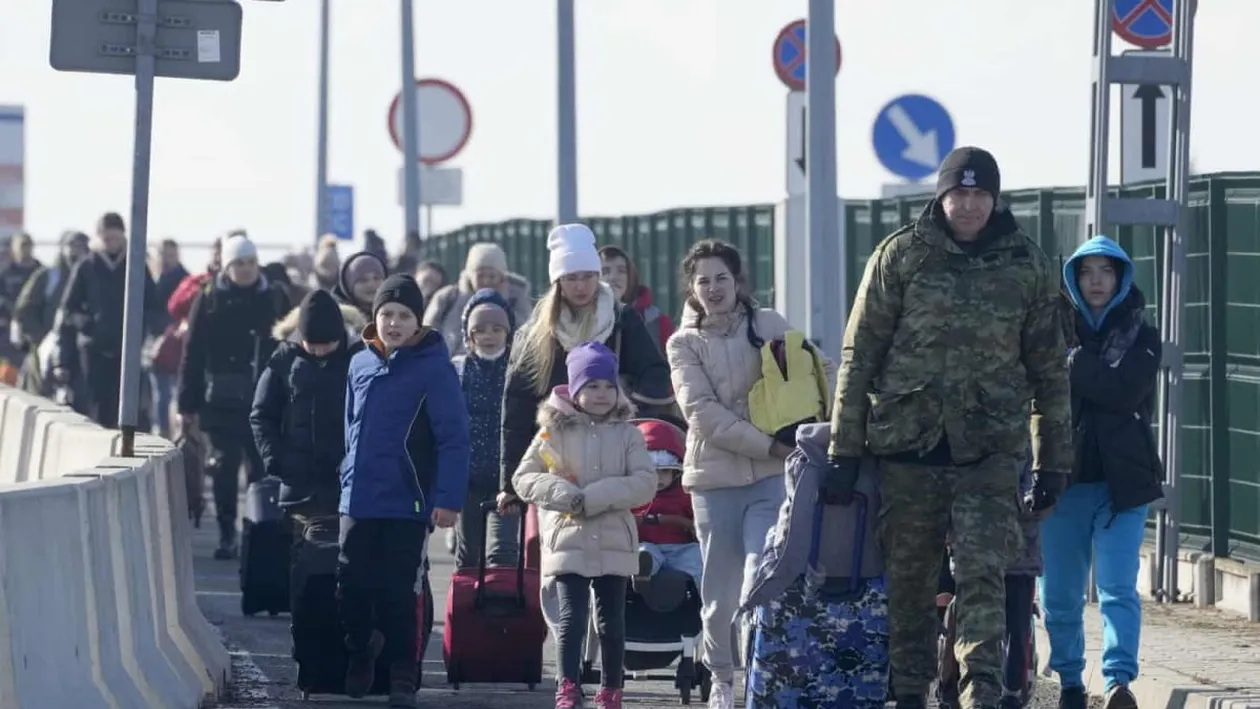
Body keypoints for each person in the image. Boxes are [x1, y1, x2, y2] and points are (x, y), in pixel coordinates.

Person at [827, 146, 1073, 709]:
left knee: (984, 574)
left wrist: (1053, 460)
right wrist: (844, 447)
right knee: (911, 583)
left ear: (995, 198)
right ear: (940, 196)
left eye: (980, 194)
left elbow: (1049, 370)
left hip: (988, 452)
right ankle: (910, 689)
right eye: (958, 194)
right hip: (909, 449)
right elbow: (860, 352)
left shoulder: (1026, 264)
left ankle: (979, 689)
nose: (969, 205)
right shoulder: (901, 256)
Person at [666, 238, 834, 709]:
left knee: (761, 574)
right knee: (718, 596)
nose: (714, 288)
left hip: (771, 476)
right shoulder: (683, 344)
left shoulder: (769, 324)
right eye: (704, 281)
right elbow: (702, 414)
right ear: (692, 288)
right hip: (715, 480)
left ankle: (761, 674)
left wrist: (836, 412)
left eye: (722, 278)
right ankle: (721, 677)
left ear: (738, 281)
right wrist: (769, 444)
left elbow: (816, 370)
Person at [1040, 236, 1163, 709]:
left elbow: (1124, 392)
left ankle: (1118, 682)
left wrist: (1074, 364)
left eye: (1105, 272)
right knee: (1060, 594)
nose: (1096, 281)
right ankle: (1071, 679)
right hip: (1061, 482)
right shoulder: (1048, 332)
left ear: (1120, 278)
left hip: (1122, 485)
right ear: (1073, 278)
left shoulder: (1141, 334)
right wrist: (1090, 373)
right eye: (1086, 271)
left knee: (1117, 587)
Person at [339, 274, 469, 708]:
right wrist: (345, 478)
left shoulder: (435, 368)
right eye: (386, 314)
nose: (394, 323)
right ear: (375, 318)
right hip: (358, 498)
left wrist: (448, 499)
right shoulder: (359, 363)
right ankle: (360, 651)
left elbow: (453, 438)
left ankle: (401, 675)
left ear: (418, 322)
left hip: (408, 501)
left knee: (399, 592)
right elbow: (350, 428)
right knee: (351, 585)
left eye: (403, 316)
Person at [512, 342, 657, 709]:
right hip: (569, 538)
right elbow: (525, 477)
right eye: (592, 386)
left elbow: (645, 482)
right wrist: (565, 494)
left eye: (608, 386)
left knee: (611, 622)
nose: (601, 394)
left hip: (613, 539)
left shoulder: (628, 434)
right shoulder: (553, 433)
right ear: (575, 389)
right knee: (570, 618)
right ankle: (568, 686)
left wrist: (597, 496)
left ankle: (611, 689)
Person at [498, 223, 674, 515]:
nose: (581, 286)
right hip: (556, 460)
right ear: (558, 281)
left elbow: (654, 374)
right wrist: (510, 484)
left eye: (588, 276)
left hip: (612, 455)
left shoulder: (620, 320)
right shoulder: (536, 334)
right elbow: (516, 408)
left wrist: (630, 420)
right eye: (571, 278)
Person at [178, 234, 288, 559]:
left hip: (264, 398)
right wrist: (187, 403)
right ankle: (227, 532)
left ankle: (259, 532)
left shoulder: (274, 296)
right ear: (227, 266)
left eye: (251, 262)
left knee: (261, 470)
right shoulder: (209, 298)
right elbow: (192, 352)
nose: (246, 269)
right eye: (239, 263)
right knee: (224, 468)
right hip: (220, 401)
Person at [250, 289, 360, 543]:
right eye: (313, 345)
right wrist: (275, 459)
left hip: (347, 484)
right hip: (298, 485)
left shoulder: (358, 359)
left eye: (327, 345)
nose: (320, 351)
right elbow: (262, 414)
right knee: (301, 559)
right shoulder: (284, 361)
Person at [55, 212, 165, 427]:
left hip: (128, 350)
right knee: (96, 404)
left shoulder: (136, 267)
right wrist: (88, 325)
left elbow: (152, 305)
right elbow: (69, 308)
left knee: (126, 406)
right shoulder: (87, 266)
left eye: (115, 238)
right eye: (107, 238)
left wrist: (148, 334)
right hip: (94, 349)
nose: (111, 243)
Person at [450, 288, 520, 569]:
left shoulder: (518, 370)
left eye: (496, 329)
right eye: (480, 330)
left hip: (508, 478)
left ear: (508, 332)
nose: (489, 336)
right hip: (468, 477)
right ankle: (467, 609)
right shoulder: (458, 370)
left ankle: (502, 609)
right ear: (469, 335)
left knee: (503, 553)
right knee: (469, 552)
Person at [11, 231, 89, 395]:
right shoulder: (48, 277)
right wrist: (42, 338)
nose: (76, 251)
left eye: (81, 247)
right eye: (72, 246)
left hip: (81, 355)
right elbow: (24, 310)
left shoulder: (91, 278)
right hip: (44, 354)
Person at [423, 242, 533, 357]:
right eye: (480, 276)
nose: (486, 281)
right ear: (470, 276)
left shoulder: (516, 299)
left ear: (502, 277)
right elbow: (427, 335)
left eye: (492, 276)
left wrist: (502, 303)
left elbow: (526, 335)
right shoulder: (447, 298)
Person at [630, 418, 701, 589]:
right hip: (645, 544)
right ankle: (641, 573)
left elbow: (697, 521)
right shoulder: (631, 495)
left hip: (679, 548)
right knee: (643, 553)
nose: (658, 478)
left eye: (665, 472)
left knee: (699, 558)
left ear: (676, 472)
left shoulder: (684, 494)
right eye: (653, 472)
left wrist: (691, 525)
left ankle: (710, 603)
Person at [599, 245, 674, 356]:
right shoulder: (582, 319)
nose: (613, 277)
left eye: (622, 271)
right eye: (605, 271)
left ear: (631, 277)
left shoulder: (657, 322)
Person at [331, 251, 387, 320]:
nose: (371, 284)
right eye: (363, 280)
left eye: (377, 278)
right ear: (349, 286)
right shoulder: (336, 318)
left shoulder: (396, 313)